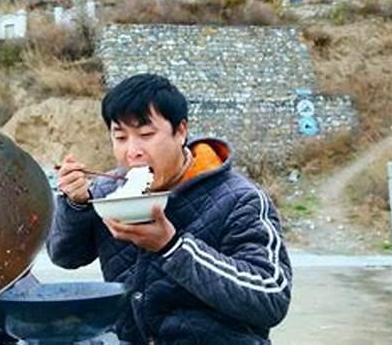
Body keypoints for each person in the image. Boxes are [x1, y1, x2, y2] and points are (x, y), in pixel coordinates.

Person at [48, 73, 292, 344]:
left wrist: (172, 247)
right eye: (120, 137)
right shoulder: (109, 193)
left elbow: (272, 298)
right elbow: (65, 258)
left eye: (146, 135)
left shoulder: (240, 199)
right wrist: (75, 204)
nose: (133, 151)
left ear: (181, 132)